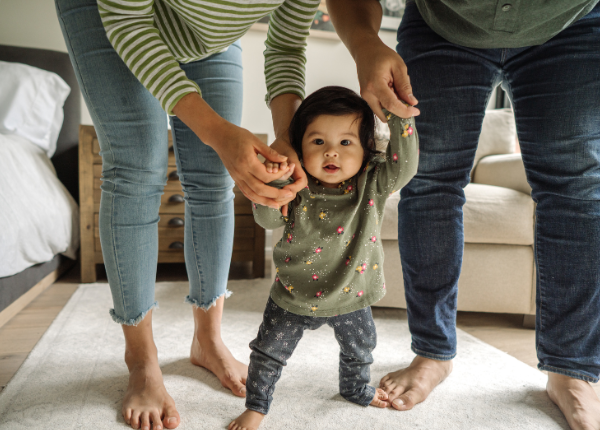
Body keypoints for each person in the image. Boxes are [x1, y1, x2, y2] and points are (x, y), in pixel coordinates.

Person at [324, 1, 600, 429]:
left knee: (576, 190)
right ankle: (432, 351)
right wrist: (363, 44)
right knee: (428, 182)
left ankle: (571, 369)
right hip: (441, 26)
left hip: (572, 22)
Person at [54, 0, 322, 428]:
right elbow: (127, 19)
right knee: (136, 172)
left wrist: (288, 136)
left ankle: (208, 340)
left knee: (214, 178)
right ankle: (141, 358)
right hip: (115, 14)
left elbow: (286, 43)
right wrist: (216, 132)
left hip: (210, 36)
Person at [228, 86, 419, 430]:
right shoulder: (295, 185)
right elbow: (267, 219)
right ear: (299, 146)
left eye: (346, 143)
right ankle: (257, 405)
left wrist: (397, 113)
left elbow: (404, 165)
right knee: (268, 352)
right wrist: (276, 175)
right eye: (318, 142)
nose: (332, 152)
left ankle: (355, 387)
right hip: (292, 295)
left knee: (361, 350)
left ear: (367, 150)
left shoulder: (372, 184)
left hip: (352, 295)